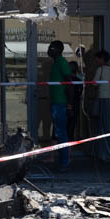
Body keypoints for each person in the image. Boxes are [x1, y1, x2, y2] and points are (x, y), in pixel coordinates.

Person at [46, 40, 71, 170]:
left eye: (52, 48)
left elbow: (69, 83)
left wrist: (70, 103)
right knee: (57, 132)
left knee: (61, 133)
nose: (49, 50)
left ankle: (64, 162)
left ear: (59, 50)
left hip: (61, 103)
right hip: (56, 102)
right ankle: (61, 161)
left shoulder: (62, 62)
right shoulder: (56, 63)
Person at [94, 49, 110, 162]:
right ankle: (107, 152)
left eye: (97, 58)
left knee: (102, 125)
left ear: (102, 59)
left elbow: (94, 83)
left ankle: (104, 153)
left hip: (102, 99)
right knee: (108, 125)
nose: (96, 61)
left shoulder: (100, 69)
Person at [67, 60, 83, 142]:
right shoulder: (79, 80)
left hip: (68, 105)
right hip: (75, 104)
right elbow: (80, 93)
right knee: (72, 126)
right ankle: (70, 145)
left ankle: (66, 147)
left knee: (66, 126)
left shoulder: (67, 80)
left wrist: (69, 104)